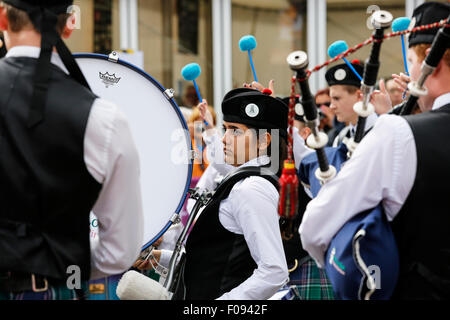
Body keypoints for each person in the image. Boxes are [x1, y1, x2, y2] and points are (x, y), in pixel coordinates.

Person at [299, 1, 450, 299]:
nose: (412, 72)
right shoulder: (401, 129)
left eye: (412, 60)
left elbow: (316, 225)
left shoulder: (398, 134)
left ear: (435, 64)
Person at [0, 0, 143, 300]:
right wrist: (58, 259)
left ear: (2, 19)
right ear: (67, 26)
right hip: (49, 289)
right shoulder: (104, 119)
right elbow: (120, 251)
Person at [136, 88, 289, 300]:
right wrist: (159, 257)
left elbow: (274, 271)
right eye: (225, 129)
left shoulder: (252, 188)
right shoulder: (244, 180)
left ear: (264, 141)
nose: (225, 138)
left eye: (235, 131)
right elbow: (217, 259)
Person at [326, 61, 378, 147]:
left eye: (336, 98)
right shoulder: (341, 138)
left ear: (359, 96)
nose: (332, 106)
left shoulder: (382, 133)